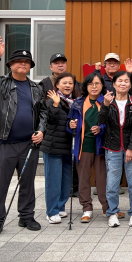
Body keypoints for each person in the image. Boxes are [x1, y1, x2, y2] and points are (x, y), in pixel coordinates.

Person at [0, 37, 46, 240]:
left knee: (27, 183)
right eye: (18, 61)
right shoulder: (1, 82)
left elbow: (43, 113)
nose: (23, 64)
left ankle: (26, 216)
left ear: (30, 66)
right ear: (10, 65)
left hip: (29, 145)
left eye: (26, 62)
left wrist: (41, 130)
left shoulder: (36, 88)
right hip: (4, 144)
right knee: (0, 185)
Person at [99, 71, 132, 228]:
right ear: (114, 84)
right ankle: (112, 213)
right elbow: (101, 121)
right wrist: (105, 105)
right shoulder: (108, 101)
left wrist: (131, 148)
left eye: (126, 81)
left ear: (130, 85)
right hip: (113, 147)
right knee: (112, 183)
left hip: (131, 148)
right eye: (120, 81)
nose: (123, 83)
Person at [39, 52, 81, 199]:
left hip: (69, 141)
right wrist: (55, 105)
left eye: (63, 62)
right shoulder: (45, 84)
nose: (60, 65)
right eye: (57, 63)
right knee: (54, 178)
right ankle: (53, 206)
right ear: (51, 67)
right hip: (54, 141)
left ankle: (67, 196)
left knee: (67, 175)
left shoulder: (74, 94)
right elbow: (46, 115)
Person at [67, 72, 108, 223]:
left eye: (97, 83)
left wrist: (101, 128)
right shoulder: (78, 103)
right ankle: (86, 208)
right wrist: (70, 124)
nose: (94, 87)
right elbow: (68, 124)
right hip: (83, 146)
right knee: (84, 177)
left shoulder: (106, 102)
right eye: (91, 84)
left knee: (102, 178)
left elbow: (112, 124)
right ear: (86, 86)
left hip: (101, 146)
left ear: (102, 85)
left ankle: (107, 207)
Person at [41, 72, 80, 224]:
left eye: (70, 83)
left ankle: (60, 206)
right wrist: (56, 105)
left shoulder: (73, 102)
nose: (68, 85)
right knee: (54, 181)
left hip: (67, 147)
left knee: (66, 180)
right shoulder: (52, 100)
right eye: (64, 83)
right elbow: (50, 120)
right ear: (57, 85)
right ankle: (51, 212)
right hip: (53, 147)